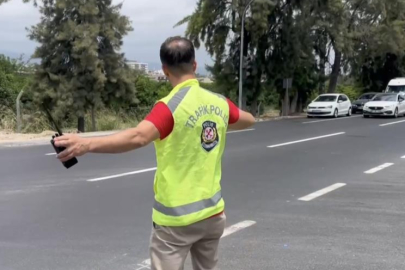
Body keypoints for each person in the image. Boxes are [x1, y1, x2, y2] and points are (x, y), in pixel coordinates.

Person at [54, 36, 255, 270]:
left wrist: (86, 144)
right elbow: (248, 119)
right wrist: (217, 120)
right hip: (212, 214)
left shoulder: (170, 107)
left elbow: (138, 136)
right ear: (195, 65)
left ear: (165, 69)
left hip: (176, 221)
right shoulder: (219, 102)